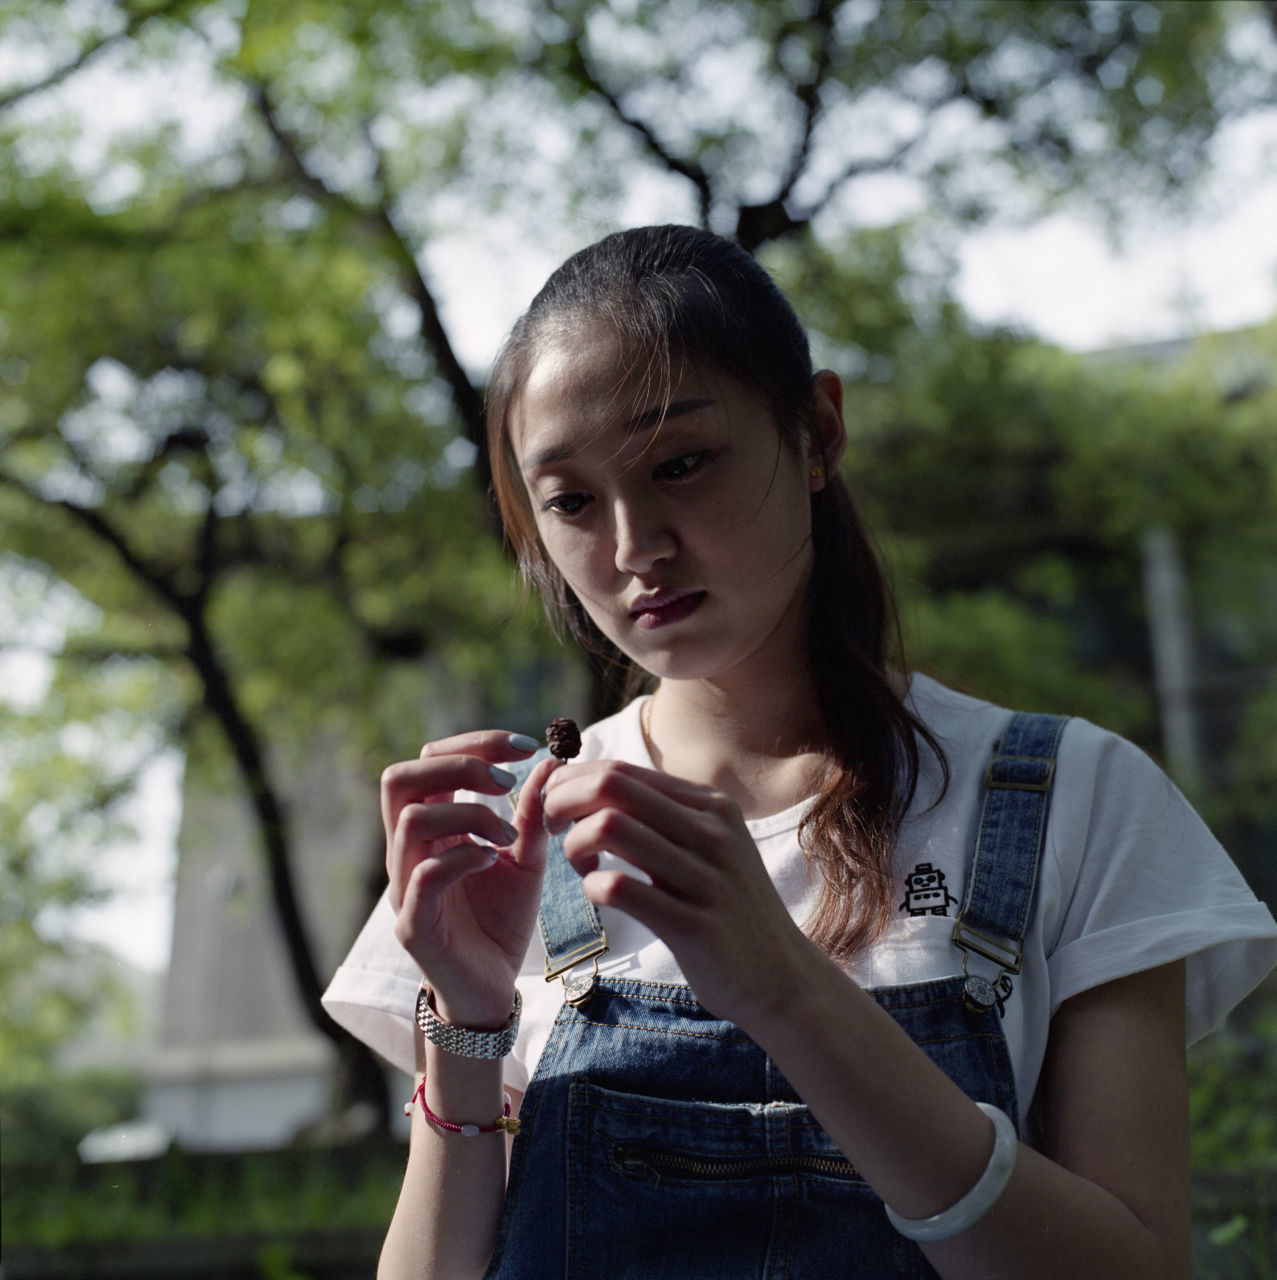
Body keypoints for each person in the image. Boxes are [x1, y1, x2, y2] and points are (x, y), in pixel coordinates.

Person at [323, 225, 1277, 1280]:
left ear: (815, 433)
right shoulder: (508, 840)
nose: (635, 546)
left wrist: (784, 985)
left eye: (680, 463)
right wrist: (466, 1020)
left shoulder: (1072, 799)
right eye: (572, 501)